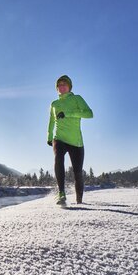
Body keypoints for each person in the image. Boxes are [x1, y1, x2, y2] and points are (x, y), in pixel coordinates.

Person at [47, 75, 93, 205]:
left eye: (64, 84)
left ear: (69, 87)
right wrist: (49, 136)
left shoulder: (77, 99)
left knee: (77, 172)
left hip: (76, 142)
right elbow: (51, 121)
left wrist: (69, 114)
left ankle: (79, 200)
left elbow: (89, 113)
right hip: (59, 138)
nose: (61, 87)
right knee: (58, 158)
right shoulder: (54, 104)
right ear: (57, 88)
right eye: (59, 85)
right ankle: (61, 193)